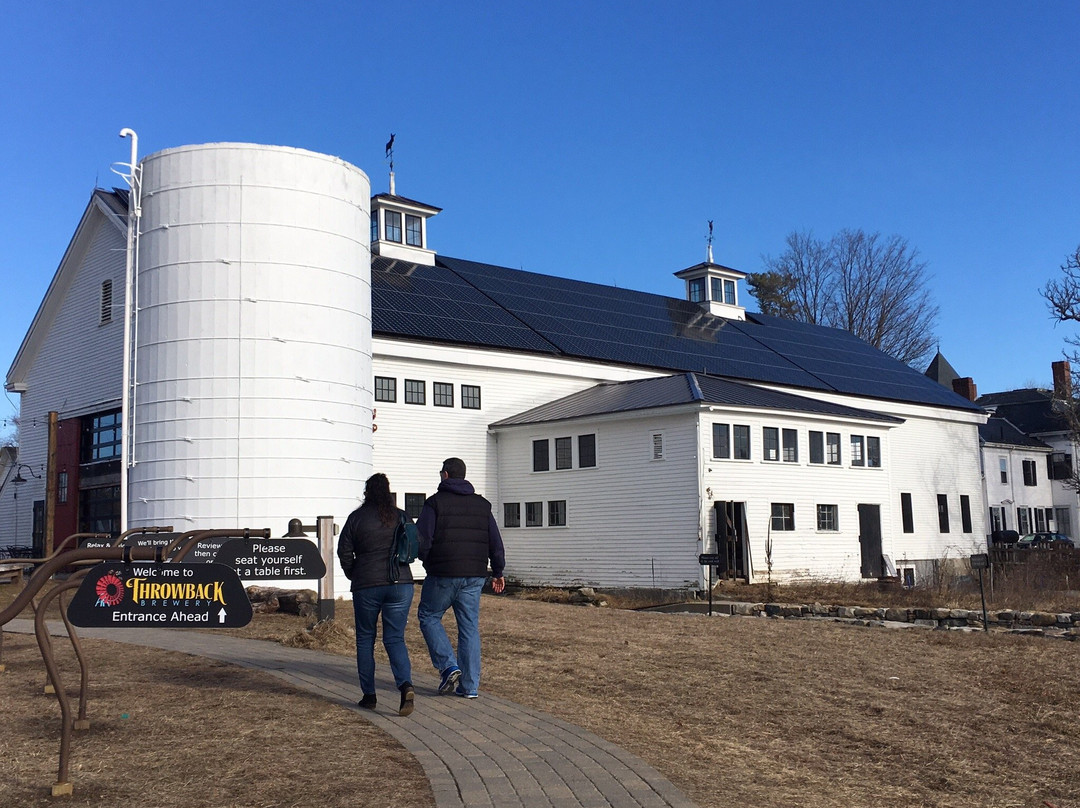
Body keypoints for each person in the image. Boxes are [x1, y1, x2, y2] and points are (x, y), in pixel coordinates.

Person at [416, 457, 505, 699]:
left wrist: (424, 560)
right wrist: (498, 571)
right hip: (475, 575)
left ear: (445, 475)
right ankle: (469, 687)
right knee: (469, 628)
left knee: (429, 616)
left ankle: (448, 666)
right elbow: (495, 541)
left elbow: (422, 540)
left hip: (443, 573)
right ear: (463, 476)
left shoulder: (434, 504)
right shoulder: (482, 505)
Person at [337, 473, 416, 716]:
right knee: (395, 639)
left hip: (367, 584)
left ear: (367, 492)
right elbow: (416, 544)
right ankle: (405, 686)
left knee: (365, 639)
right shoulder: (401, 515)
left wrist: (354, 574)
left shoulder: (356, 518)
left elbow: (344, 552)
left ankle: (369, 696)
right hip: (400, 583)